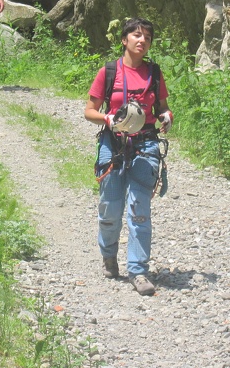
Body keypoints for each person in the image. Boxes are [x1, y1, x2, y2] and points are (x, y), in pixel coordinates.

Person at [84, 18, 173, 296]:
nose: (142, 40)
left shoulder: (155, 74)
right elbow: (89, 111)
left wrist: (166, 117)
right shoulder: (109, 72)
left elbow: (163, 108)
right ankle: (109, 256)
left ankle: (138, 270)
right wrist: (108, 119)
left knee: (140, 212)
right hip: (114, 143)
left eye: (147, 37)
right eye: (136, 35)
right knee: (110, 208)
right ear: (124, 40)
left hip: (146, 145)